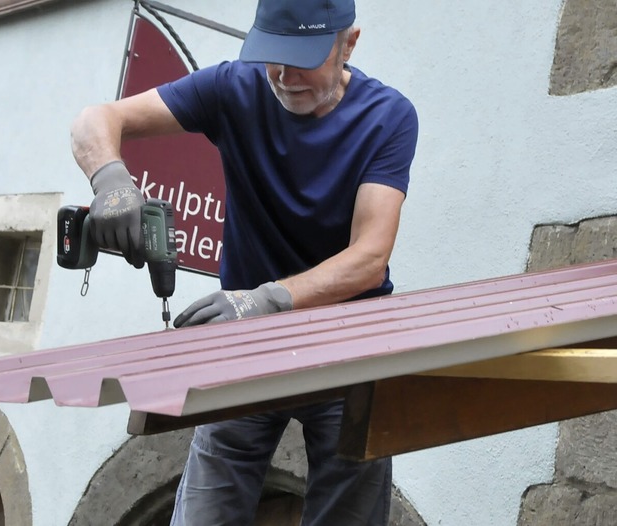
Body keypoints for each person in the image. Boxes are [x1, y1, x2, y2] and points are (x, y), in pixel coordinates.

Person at [70, 0, 418, 523]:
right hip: (246, 341)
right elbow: (95, 119)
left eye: (301, 57)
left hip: (348, 342)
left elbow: (369, 258)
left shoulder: (387, 117)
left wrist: (268, 299)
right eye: (272, 54)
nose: (282, 74)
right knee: (205, 511)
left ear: (348, 44)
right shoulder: (236, 88)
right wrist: (110, 181)